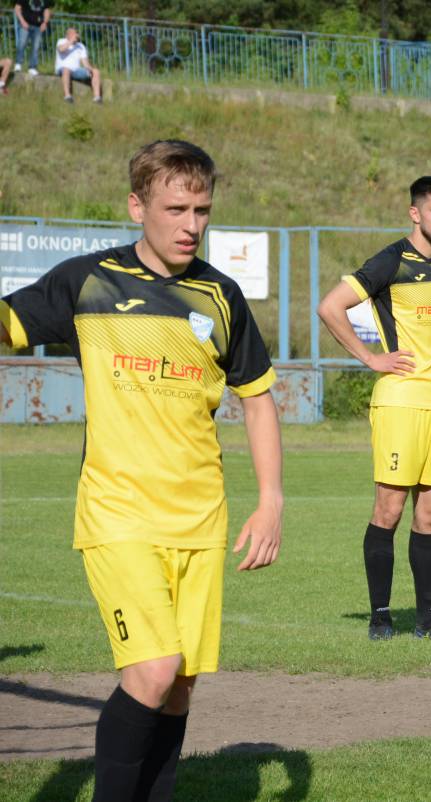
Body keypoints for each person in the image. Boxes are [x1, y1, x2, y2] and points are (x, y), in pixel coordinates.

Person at [0, 139, 282, 801]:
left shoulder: (220, 296)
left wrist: (271, 500)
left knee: (178, 687)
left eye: (202, 210)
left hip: (200, 518)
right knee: (154, 670)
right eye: (176, 209)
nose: (191, 225)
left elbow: (258, 399)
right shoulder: (88, 282)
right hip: (118, 512)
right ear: (137, 206)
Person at [317, 175, 431, 642]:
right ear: (415, 213)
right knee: (389, 510)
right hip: (401, 403)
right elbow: (331, 307)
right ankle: (381, 618)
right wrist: (370, 358)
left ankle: (430, 620)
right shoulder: (392, 260)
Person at [55, 26, 102, 103]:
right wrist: (71, 41)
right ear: (67, 35)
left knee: (96, 71)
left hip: (76, 71)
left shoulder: (81, 46)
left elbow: (85, 63)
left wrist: (91, 70)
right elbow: (61, 49)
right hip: (62, 69)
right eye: (73, 33)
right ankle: (67, 96)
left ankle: (97, 98)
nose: (76, 35)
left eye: (76, 33)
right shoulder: (61, 41)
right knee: (66, 69)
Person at [13, 0, 51, 77]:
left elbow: (47, 11)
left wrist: (45, 23)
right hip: (25, 24)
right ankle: (18, 63)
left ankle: (32, 67)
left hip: (38, 26)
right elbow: (17, 8)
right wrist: (22, 21)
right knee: (22, 43)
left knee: (36, 47)